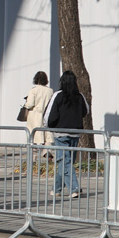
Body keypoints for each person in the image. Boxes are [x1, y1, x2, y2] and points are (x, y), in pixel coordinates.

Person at [42, 70, 91, 198]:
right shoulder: (79, 96)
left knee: (64, 162)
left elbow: (49, 116)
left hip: (60, 134)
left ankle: (74, 189)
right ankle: (56, 189)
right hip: (75, 133)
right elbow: (85, 111)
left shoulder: (57, 95)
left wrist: (48, 127)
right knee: (65, 162)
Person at [18, 70, 53, 140]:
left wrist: (25, 104)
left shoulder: (33, 90)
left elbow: (30, 104)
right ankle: (45, 151)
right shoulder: (50, 91)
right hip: (46, 115)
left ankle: (35, 150)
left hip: (34, 115)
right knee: (47, 136)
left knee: (34, 137)